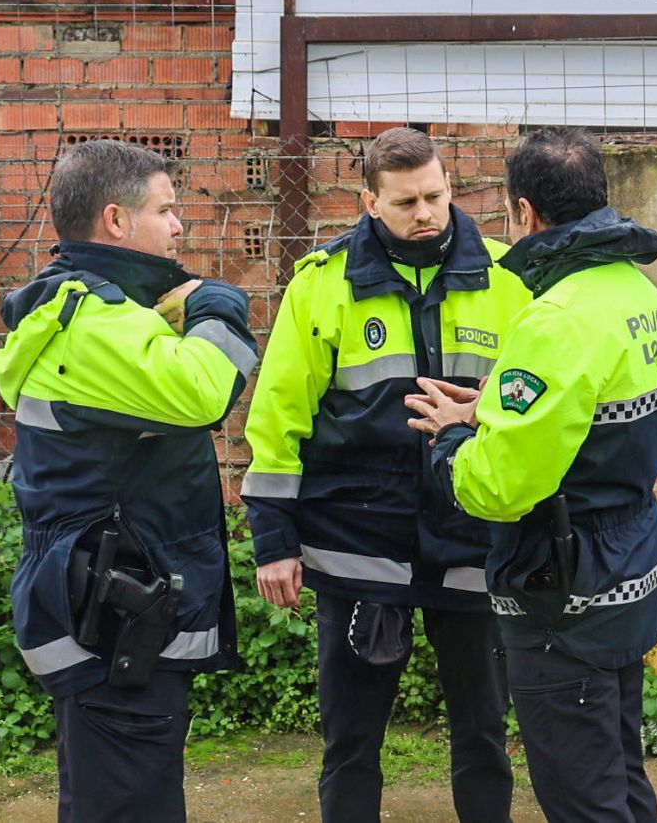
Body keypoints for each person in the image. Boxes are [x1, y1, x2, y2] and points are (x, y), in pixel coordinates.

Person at [241, 128, 531, 823]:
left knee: (485, 735)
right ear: (370, 201)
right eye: (406, 202)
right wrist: (273, 537)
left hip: (471, 541)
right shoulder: (322, 284)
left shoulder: (508, 278)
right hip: (358, 544)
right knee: (350, 740)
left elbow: (533, 412)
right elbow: (279, 417)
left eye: (435, 195)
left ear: (450, 186)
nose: (425, 212)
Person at [407, 126, 657, 823]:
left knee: (582, 799)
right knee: (621, 778)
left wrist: (450, 441)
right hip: (625, 572)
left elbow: (501, 488)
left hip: (561, 595)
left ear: (525, 212)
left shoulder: (555, 319)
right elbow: (605, 426)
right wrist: (491, 409)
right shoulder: (641, 298)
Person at [0, 139, 257, 823]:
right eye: (166, 210)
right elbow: (204, 391)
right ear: (115, 219)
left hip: (113, 617)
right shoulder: (96, 325)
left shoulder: (98, 314)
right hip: (118, 627)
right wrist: (218, 306)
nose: (178, 226)